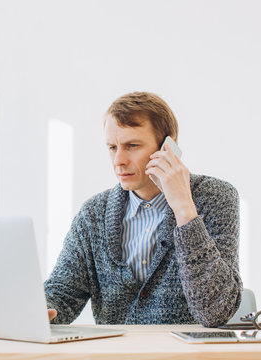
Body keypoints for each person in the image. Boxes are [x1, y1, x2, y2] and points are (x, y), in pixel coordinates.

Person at [44, 92, 242, 327]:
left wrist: (184, 208)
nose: (118, 160)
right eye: (112, 147)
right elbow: (62, 293)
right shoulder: (93, 214)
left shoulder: (215, 198)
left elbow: (215, 311)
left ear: (169, 146)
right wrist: (39, 311)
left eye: (132, 146)